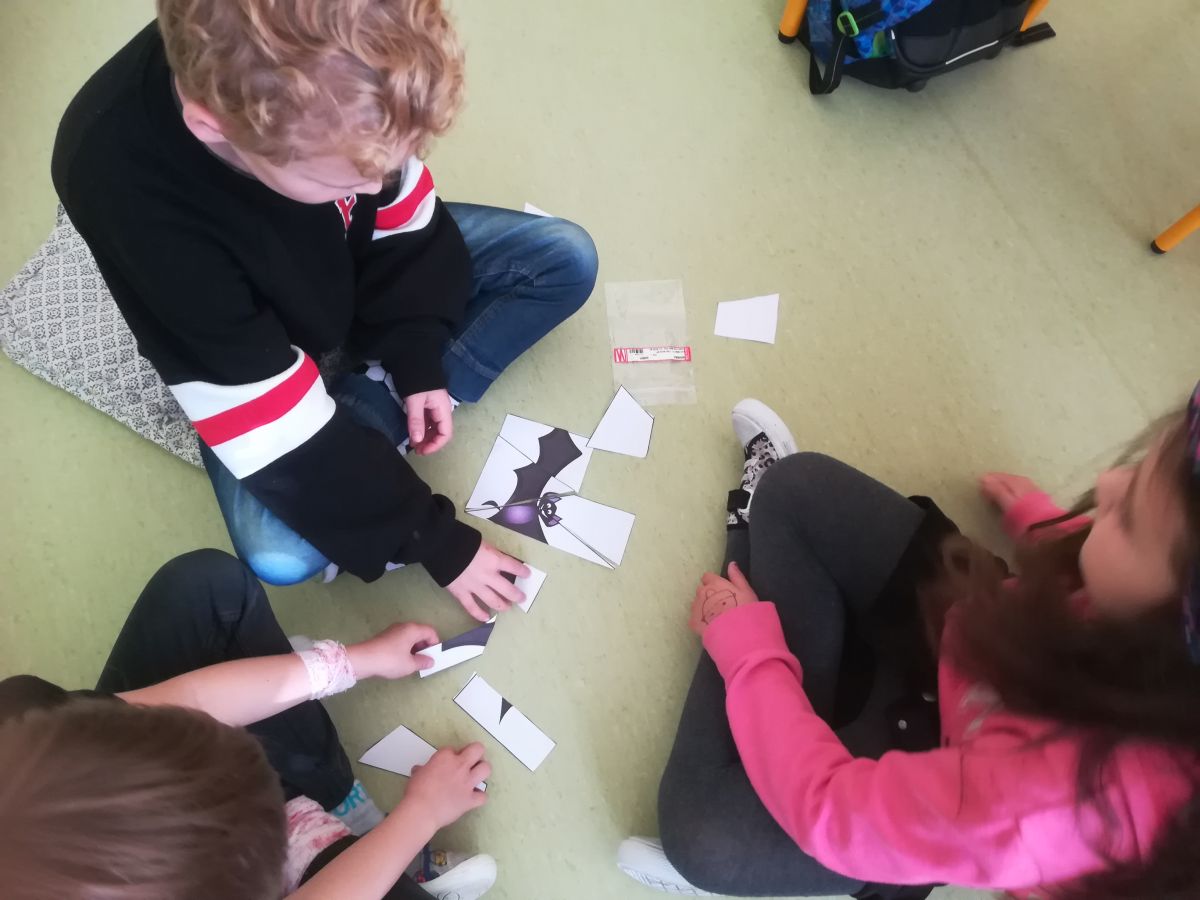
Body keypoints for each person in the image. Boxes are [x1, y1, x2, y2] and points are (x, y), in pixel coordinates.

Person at [50, 0, 597, 618]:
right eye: (347, 180)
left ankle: (371, 397)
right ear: (215, 128)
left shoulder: (344, 69)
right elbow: (254, 409)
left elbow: (403, 215)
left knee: (565, 259)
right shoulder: (132, 200)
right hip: (245, 352)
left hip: (345, 272)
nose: (374, 186)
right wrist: (434, 539)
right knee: (279, 553)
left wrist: (416, 352)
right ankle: (357, 416)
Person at [617, 391, 1200, 899]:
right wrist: (1055, 531)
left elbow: (834, 814)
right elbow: (1125, 565)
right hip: (985, 636)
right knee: (794, 487)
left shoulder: (1054, 806)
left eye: (1129, 520)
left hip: (936, 792)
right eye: (1139, 471)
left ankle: (769, 726)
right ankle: (782, 726)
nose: (1108, 484)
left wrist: (749, 653)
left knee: (700, 837)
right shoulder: (1158, 627)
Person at [0, 549, 496, 900]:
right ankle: (349, 842)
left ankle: (337, 824)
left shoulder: (24, 732)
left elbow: (186, 701)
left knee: (205, 585)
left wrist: (351, 662)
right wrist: (421, 814)